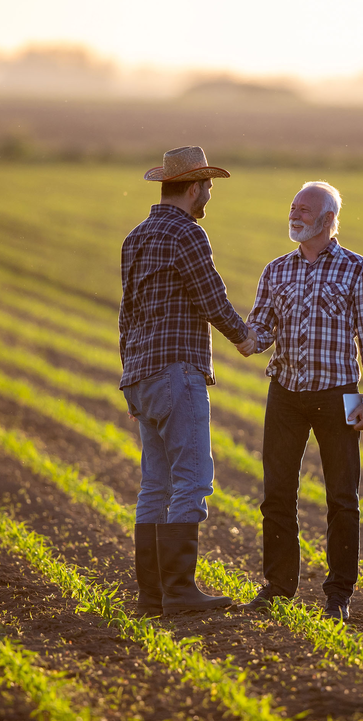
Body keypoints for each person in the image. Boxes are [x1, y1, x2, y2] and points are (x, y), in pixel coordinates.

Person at [236, 181, 363, 622]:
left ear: (327, 220)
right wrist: (241, 335)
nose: (295, 214)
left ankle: (338, 594)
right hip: (284, 393)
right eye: (293, 207)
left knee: (343, 497)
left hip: (337, 396)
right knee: (277, 494)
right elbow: (260, 330)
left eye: (304, 210)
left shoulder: (358, 270)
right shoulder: (276, 271)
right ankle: (278, 587)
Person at [119, 145, 256, 616]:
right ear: (194, 187)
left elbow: (127, 315)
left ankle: (151, 595)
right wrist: (246, 339)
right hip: (177, 371)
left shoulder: (135, 237)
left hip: (142, 374)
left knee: (154, 484)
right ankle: (178, 591)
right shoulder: (187, 235)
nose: (209, 197)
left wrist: (130, 377)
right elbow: (212, 300)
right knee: (192, 480)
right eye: (209, 188)